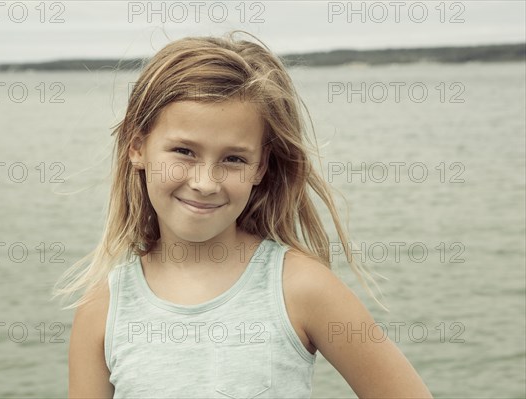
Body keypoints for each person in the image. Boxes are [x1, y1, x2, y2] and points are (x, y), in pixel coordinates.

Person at [54, 31, 433, 398]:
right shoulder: (102, 309)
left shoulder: (301, 287)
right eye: (184, 151)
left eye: (234, 159)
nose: (205, 182)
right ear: (138, 148)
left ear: (260, 167)